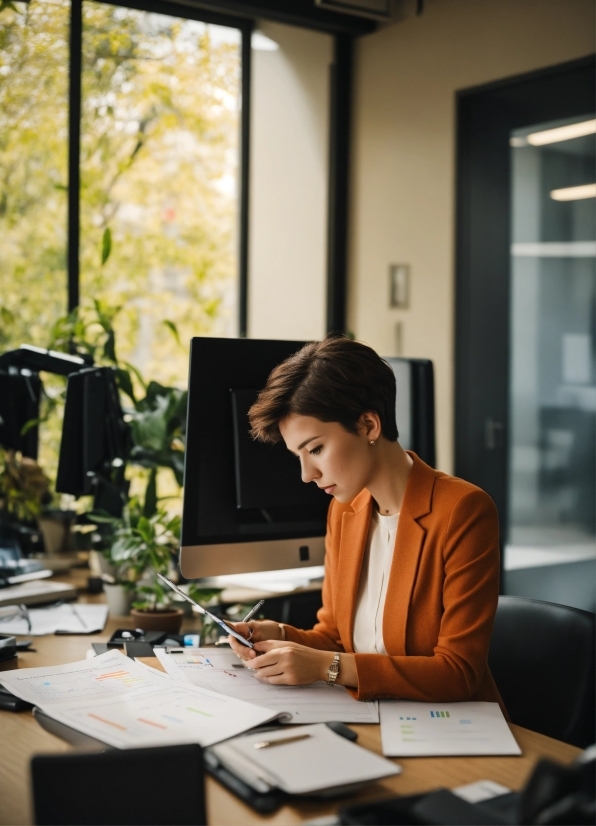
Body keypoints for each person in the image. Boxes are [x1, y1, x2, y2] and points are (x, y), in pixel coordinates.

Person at [228, 334, 505, 708]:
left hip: (448, 725)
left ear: (369, 425)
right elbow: (335, 638)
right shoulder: (344, 510)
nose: (306, 474)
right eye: (299, 455)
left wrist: (328, 667)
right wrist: (274, 634)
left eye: (316, 449)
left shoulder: (463, 511)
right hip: (372, 714)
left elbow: (458, 673)